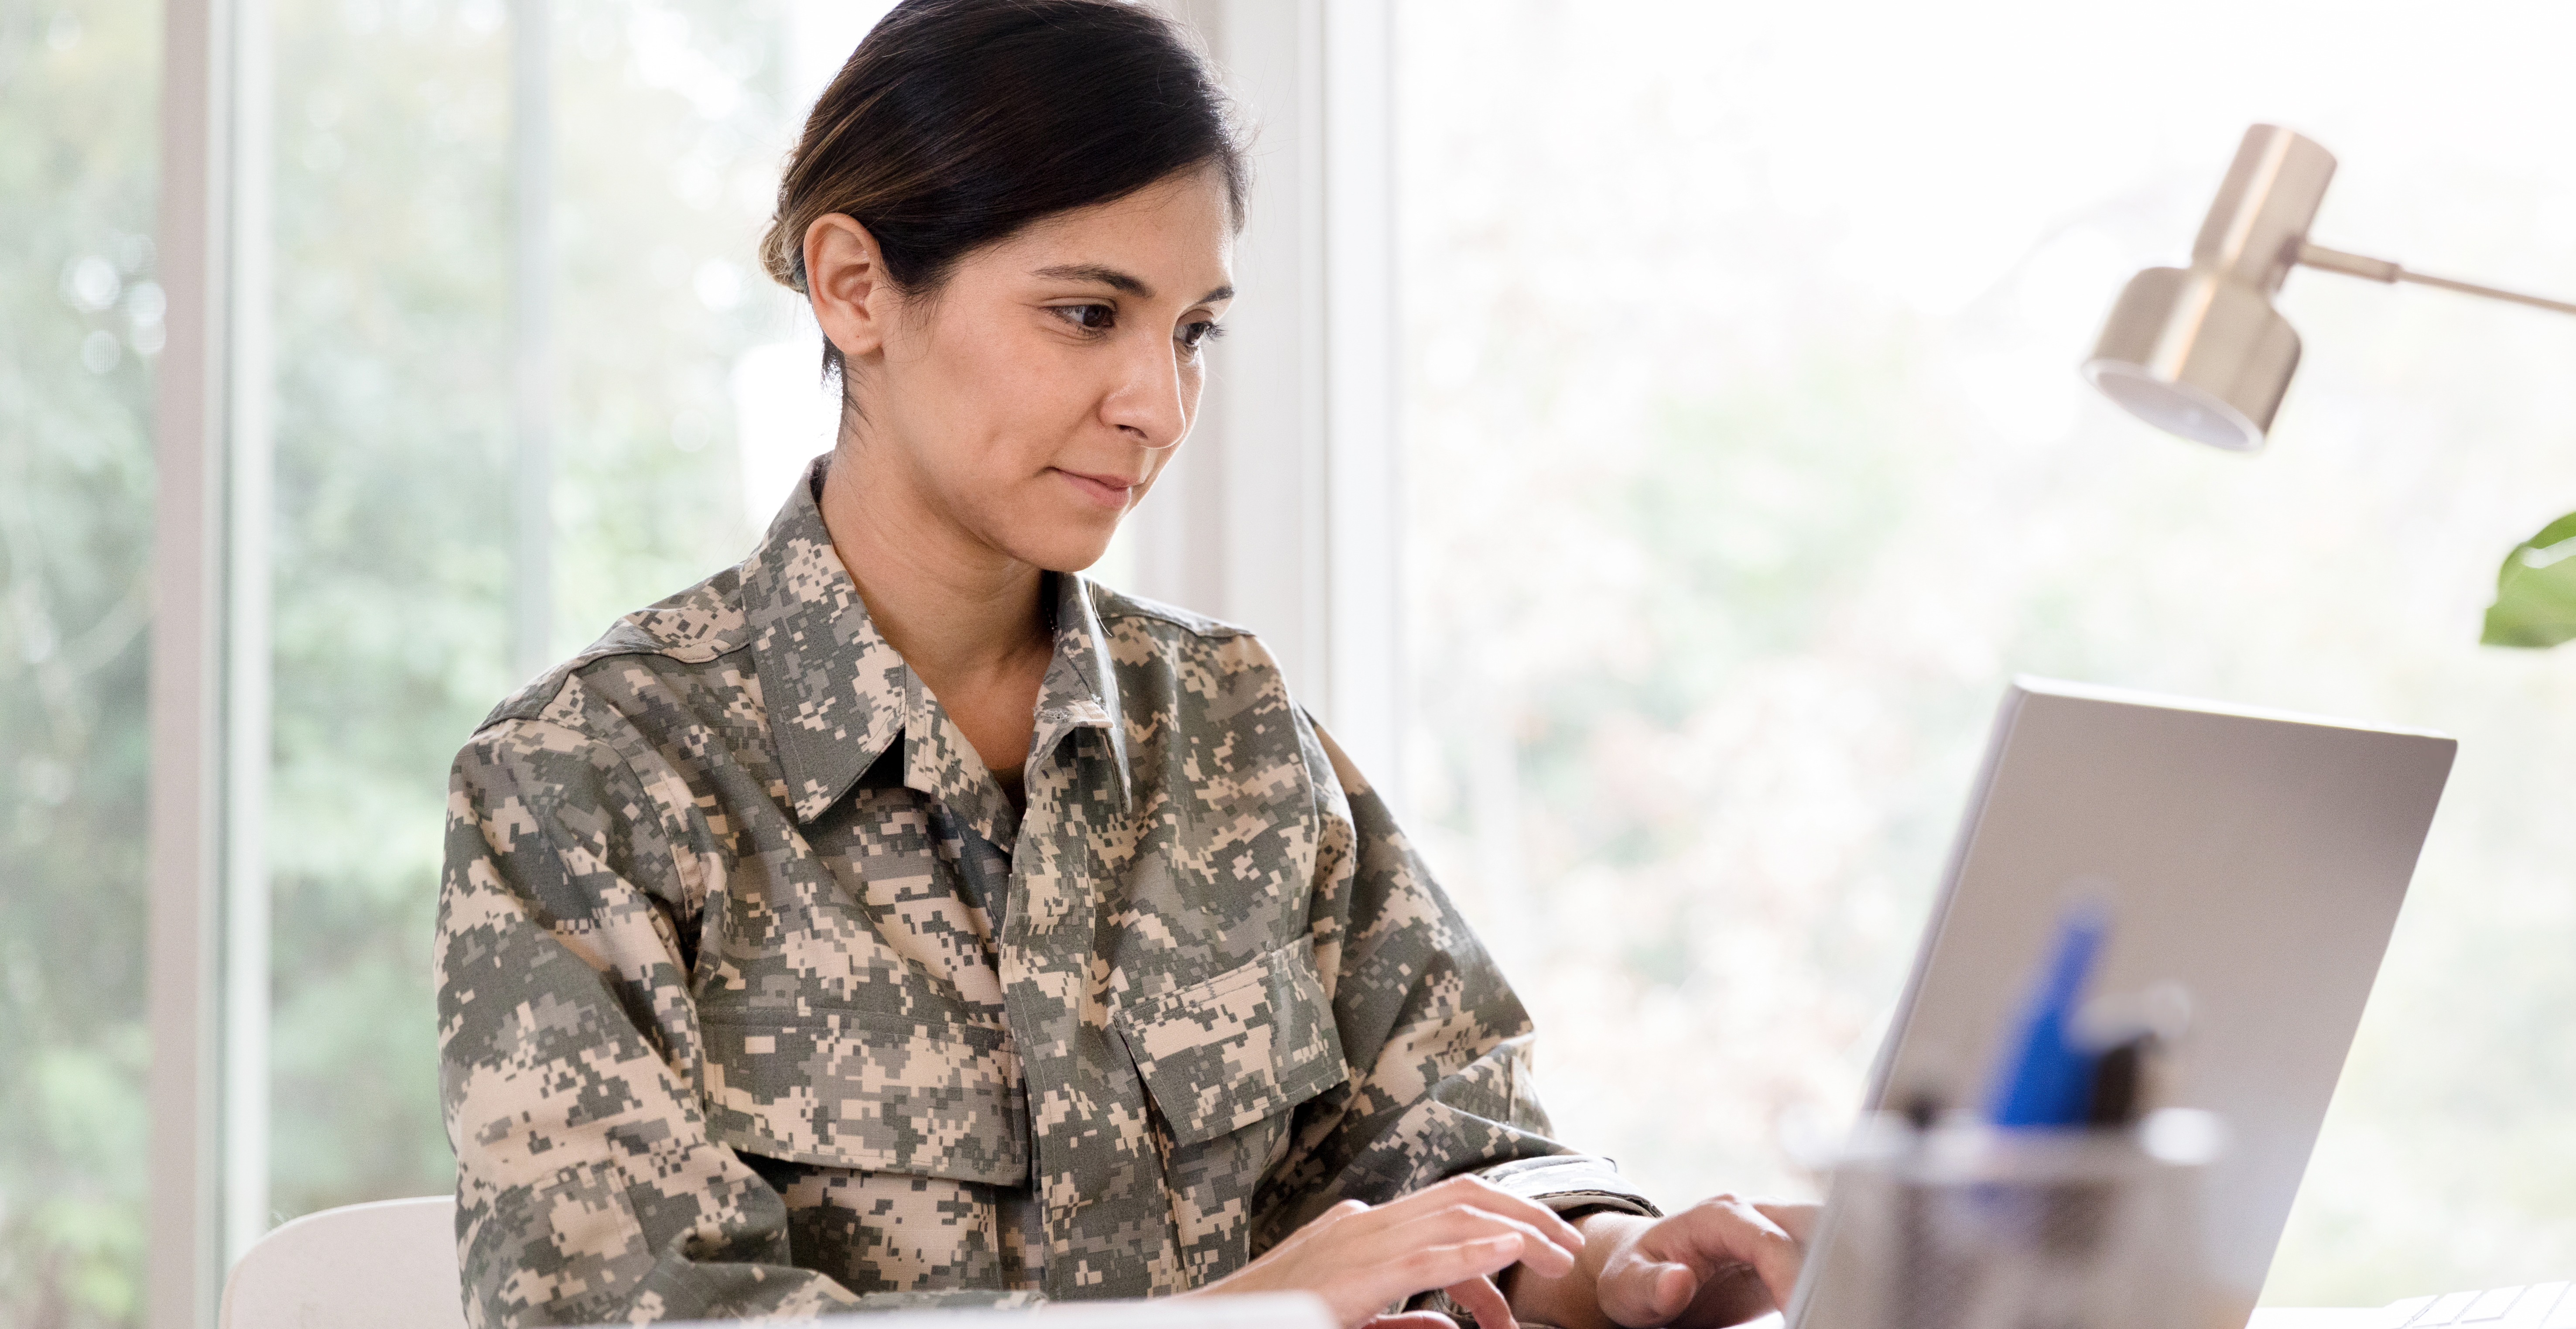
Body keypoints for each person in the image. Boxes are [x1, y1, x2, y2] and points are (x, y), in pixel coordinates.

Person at [432, 1, 1813, 1325]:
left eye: (1193, 330)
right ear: (854, 287)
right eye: (1089, 314)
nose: (1157, 404)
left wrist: (1613, 1269)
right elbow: (627, 1320)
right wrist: (1224, 1324)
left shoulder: (1235, 730)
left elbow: (1458, 1153)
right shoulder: (584, 785)